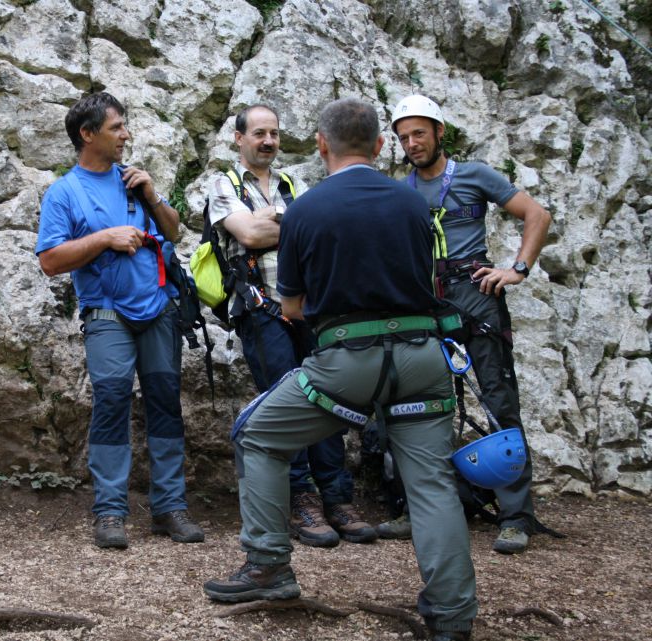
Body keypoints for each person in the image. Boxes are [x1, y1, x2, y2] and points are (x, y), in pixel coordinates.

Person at [203, 98, 477, 641]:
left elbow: (292, 309)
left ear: (322, 146)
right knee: (431, 485)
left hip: (347, 360)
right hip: (423, 357)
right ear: (380, 146)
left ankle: (269, 567)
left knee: (257, 435)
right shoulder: (412, 205)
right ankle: (452, 617)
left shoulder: (305, 210)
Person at [384, 94, 552, 555]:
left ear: (440, 132)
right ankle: (415, 508)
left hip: (476, 299)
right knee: (415, 407)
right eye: (403, 138)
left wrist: (517, 269)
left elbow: (537, 214)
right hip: (426, 304)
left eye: (419, 133)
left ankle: (516, 516)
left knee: (499, 401)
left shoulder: (475, 175)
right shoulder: (401, 191)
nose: (412, 143)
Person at [36, 92, 204, 549]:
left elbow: (173, 230)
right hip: (106, 313)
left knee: (166, 401)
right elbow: (50, 260)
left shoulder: (133, 181)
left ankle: (170, 507)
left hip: (159, 309)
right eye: (116, 128)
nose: (125, 134)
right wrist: (105, 237)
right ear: (88, 135)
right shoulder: (64, 192)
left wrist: (151, 195)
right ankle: (110, 512)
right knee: (111, 400)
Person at [205, 105, 375, 547]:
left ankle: (338, 498)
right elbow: (250, 236)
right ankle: (301, 501)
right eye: (259, 133)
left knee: (329, 399)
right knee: (288, 401)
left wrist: (278, 223)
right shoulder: (224, 183)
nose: (268, 141)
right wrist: (290, 224)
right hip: (260, 310)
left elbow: (312, 231)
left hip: (307, 309)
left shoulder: (291, 186)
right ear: (238, 138)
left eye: (275, 134)